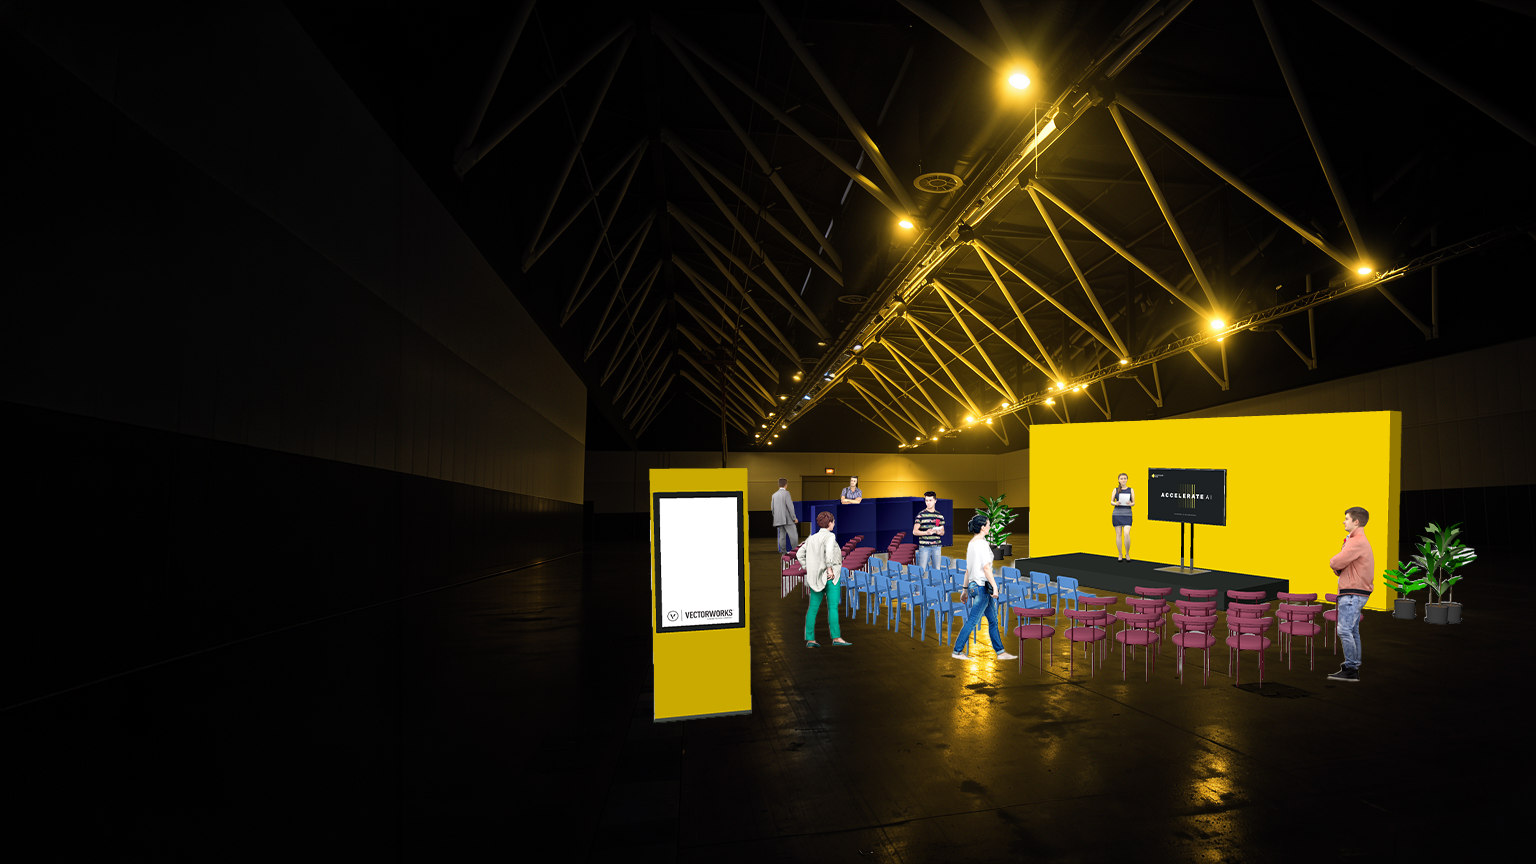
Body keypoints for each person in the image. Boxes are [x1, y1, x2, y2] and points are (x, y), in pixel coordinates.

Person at [950, 514, 1017, 661]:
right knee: (973, 621)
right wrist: (995, 587)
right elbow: (986, 568)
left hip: (974, 586)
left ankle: (1000, 652)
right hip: (982, 588)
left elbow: (968, 570)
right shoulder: (982, 544)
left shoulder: (972, 544)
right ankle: (957, 651)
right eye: (988, 525)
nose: (989, 527)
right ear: (982, 527)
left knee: (993, 620)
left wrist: (965, 590)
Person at [1327, 506, 1374, 682]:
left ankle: (1351, 668)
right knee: (1353, 630)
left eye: (1346, 519)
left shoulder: (1356, 541)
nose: (1343, 521)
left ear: (1356, 521)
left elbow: (1335, 562)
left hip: (1352, 592)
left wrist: (1336, 564)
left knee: (1344, 629)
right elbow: (1341, 567)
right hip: (1357, 591)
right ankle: (1353, 665)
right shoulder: (1358, 541)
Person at [799, 511, 850, 647]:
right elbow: (829, 553)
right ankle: (836, 638)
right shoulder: (830, 536)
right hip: (831, 577)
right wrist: (829, 569)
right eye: (833, 522)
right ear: (830, 523)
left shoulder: (811, 538)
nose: (834, 524)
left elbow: (799, 553)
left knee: (812, 608)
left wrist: (807, 566)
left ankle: (810, 640)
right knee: (832, 608)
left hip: (815, 577)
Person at [913, 491, 945, 573]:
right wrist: (926, 533)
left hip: (937, 546)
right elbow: (915, 532)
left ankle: (936, 582)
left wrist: (939, 532)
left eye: (930, 500)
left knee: (937, 570)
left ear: (935, 501)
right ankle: (919, 582)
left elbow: (943, 532)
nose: (928, 503)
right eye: (926, 500)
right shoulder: (920, 515)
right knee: (921, 570)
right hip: (924, 547)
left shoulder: (939, 515)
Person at [771, 478, 799, 554]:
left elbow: (772, 508)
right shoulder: (786, 493)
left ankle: (783, 553)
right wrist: (794, 518)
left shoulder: (774, 495)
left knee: (782, 537)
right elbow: (790, 506)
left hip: (778, 520)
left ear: (779, 485)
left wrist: (776, 517)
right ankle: (795, 553)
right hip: (788, 520)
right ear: (786, 485)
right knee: (793, 536)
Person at [1111, 472, 1134, 561]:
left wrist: (1130, 503)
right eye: (1121, 478)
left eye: (1125, 478)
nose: (1123, 480)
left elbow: (1134, 502)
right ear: (1119, 480)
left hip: (1127, 514)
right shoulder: (1115, 490)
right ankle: (1120, 554)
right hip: (1117, 514)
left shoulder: (1131, 490)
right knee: (1118, 534)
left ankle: (1127, 553)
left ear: (1127, 480)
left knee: (1127, 533)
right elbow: (1111, 501)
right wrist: (1115, 503)